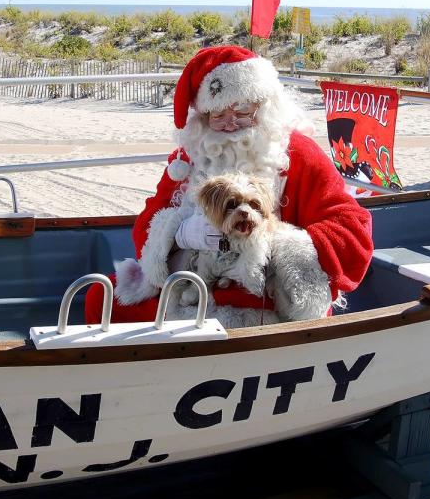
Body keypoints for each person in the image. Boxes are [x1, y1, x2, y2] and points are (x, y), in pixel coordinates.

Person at [85, 45, 374, 327]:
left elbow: (351, 227)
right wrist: (180, 234)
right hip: (192, 280)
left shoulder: (298, 152)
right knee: (101, 297)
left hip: (263, 286)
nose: (231, 123)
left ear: (262, 106)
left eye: (243, 110)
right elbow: (147, 225)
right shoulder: (190, 157)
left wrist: (275, 243)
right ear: (203, 118)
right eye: (219, 115)